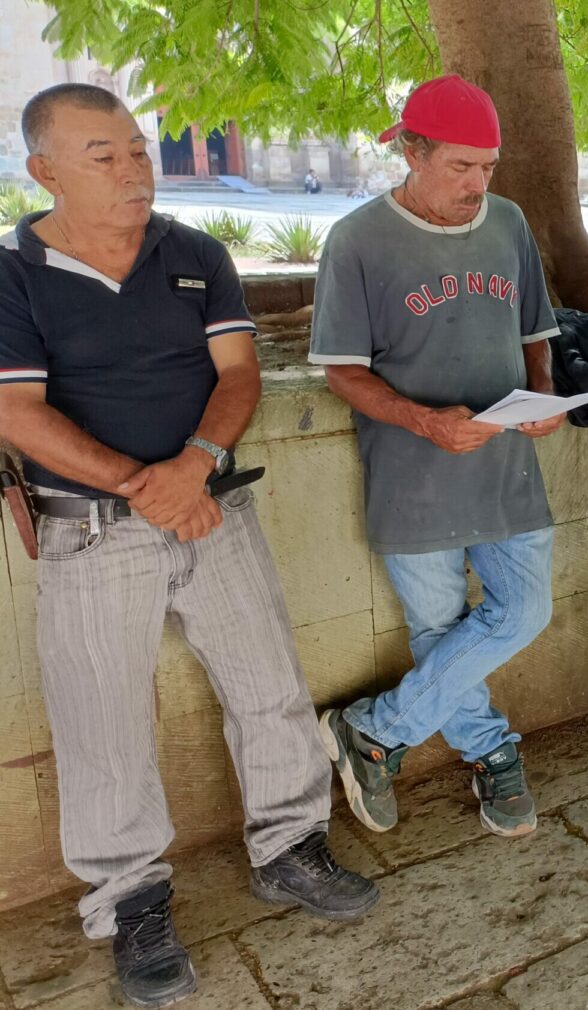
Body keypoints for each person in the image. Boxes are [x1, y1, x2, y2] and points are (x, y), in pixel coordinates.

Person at [0, 83, 377, 1008]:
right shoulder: (11, 274)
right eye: (104, 155)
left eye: (139, 148)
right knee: (103, 726)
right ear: (43, 171)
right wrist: (145, 486)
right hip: (90, 531)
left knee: (271, 687)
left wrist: (197, 463)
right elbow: (15, 409)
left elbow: (240, 373)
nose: (134, 168)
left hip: (215, 511)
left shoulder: (196, 252)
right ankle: (129, 901)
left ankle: (290, 846)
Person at [309, 74, 565, 839]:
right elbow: (341, 370)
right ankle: (491, 753)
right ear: (411, 153)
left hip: (505, 468)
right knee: (439, 627)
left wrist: (543, 397)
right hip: (413, 474)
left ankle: (375, 731)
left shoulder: (509, 223)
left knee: (526, 608)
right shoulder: (356, 241)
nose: (477, 184)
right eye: (460, 167)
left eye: (488, 167)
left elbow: (536, 330)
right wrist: (423, 422)